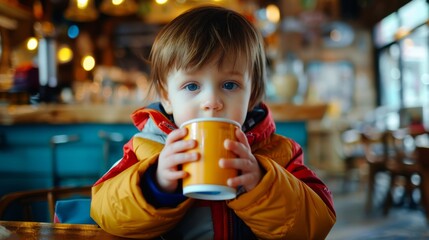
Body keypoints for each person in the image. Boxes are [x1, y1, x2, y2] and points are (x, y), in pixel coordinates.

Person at [90, 5, 336, 239]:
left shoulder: (281, 153)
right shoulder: (145, 148)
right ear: (167, 97)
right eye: (192, 86)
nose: (211, 101)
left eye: (230, 85)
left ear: (252, 94)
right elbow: (104, 211)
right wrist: (157, 183)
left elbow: (317, 223)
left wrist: (262, 183)